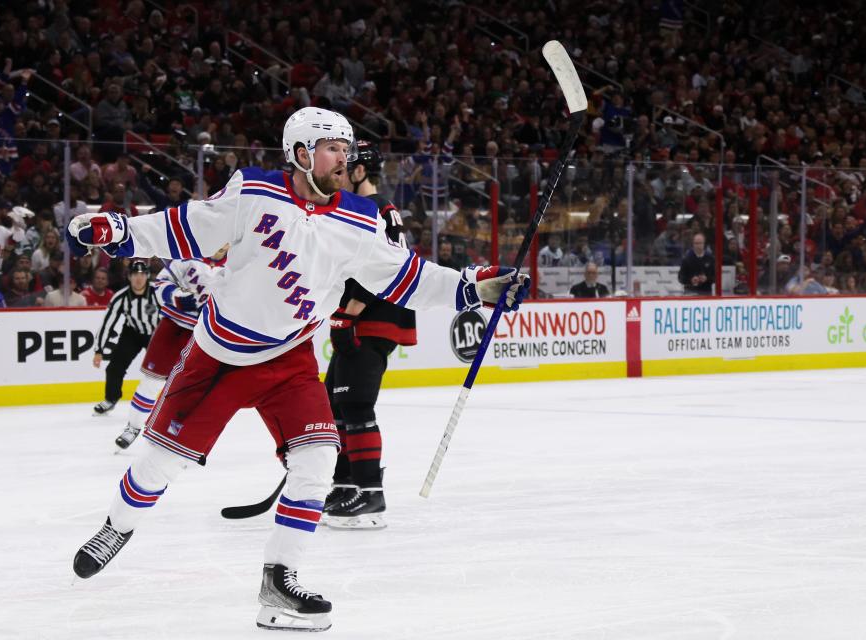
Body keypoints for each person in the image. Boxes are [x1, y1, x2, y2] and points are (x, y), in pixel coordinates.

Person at [65, 107, 527, 632]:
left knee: (317, 460)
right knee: (158, 467)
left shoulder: (359, 219)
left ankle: (279, 581)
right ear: (302, 153)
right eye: (332, 147)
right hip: (220, 355)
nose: (343, 157)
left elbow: (405, 278)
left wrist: (473, 288)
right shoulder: (254, 192)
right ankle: (116, 528)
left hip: (290, 359)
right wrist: (116, 229)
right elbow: (182, 227)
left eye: (346, 149)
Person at [321, 141, 416, 530]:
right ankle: (346, 485)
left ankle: (370, 494)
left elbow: (383, 268)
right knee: (335, 403)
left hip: (373, 318)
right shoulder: (361, 209)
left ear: (361, 172)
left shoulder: (376, 209)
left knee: (356, 403)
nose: (340, 175)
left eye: (346, 169)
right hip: (359, 316)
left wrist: (349, 314)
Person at [114, 249, 226, 450]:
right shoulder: (187, 256)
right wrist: (180, 298)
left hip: (203, 335)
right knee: (151, 381)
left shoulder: (234, 268)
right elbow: (161, 284)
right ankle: (133, 427)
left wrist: (213, 308)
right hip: (172, 328)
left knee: (191, 389)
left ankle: (176, 436)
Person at [90, 260, 160, 416]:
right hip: (132, 333)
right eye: (135, 274)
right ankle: (110, 399)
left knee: (167, 369)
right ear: (129, 277)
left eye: (142, 274)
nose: (138, 278)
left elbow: (172, 315)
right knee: (115, 367)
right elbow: (107, 324)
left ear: (147, 276)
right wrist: (99, 350)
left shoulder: (158, 293)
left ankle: (169, 402)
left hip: (157, 334)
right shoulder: (121, 297)